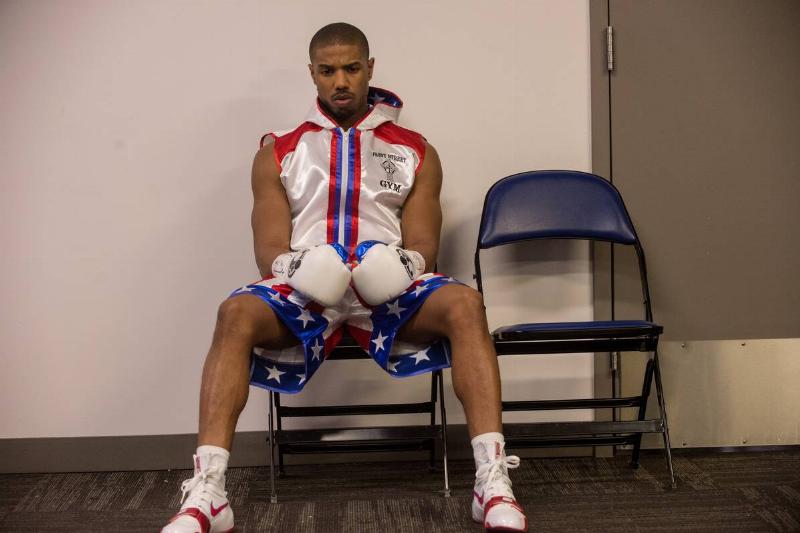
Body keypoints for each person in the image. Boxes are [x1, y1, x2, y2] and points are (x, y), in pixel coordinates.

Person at [162, 22, 527, 533]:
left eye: (351, 68)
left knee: (466, 304)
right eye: (328, 70)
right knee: (234, 312)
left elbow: (425, 244)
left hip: (387, 288)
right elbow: (268, 249)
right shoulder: (278, 151)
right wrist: (298, 268)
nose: (340, 81)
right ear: (311, 72)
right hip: (310, 285)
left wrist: (405, 266)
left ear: (369, 68)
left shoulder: (415, 149)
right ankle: (209, 494)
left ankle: (491, 484)